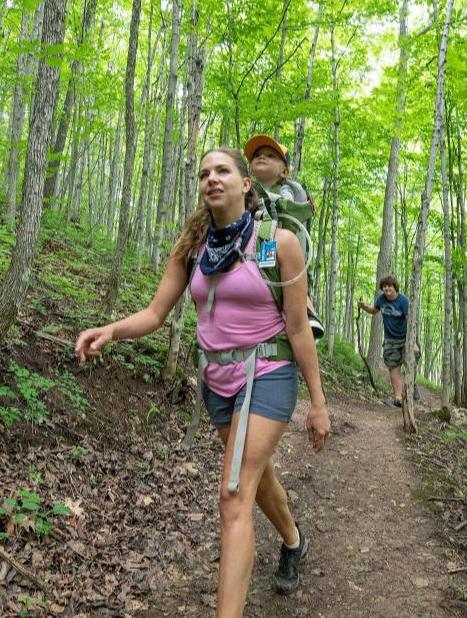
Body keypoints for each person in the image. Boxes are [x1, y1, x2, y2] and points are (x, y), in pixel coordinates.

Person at [75, 148, 330, 618]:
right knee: (255, 475)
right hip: (216, 378)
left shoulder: (280, 242)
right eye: (204, 173)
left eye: (223, 171)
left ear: (245, 184)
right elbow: (155, 314)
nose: (212, 179)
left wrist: (318, 402)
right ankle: (293, 540)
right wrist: (110, 330)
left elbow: (298, 328)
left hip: (268, 372)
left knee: (233, 494)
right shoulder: (192, 246)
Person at [243, 134, 325, 340]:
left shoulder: (287, 190)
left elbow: (289, 210)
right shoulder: (243, 192)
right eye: (257, 155)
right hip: (250, 254)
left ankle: (308, 315)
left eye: (271, 155)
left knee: (291, 285)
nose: (262, 157)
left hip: (281, 252)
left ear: (284, 171)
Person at [358, 275, 420, 407]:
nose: (386, 288)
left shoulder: (403, 301)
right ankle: (398, 398)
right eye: (384, 286)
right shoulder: (381, 300)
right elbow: (374, 310)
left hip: (405, 339)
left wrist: (413, 342)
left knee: (412, 364)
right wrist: (363, 307)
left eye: (389, 286)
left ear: (395, 287)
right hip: (390, 340)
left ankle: (412, 386)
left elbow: (411, 321)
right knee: (393, 369)